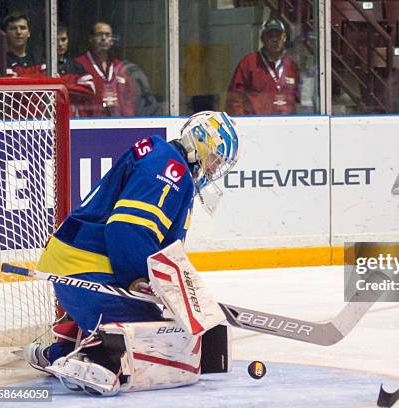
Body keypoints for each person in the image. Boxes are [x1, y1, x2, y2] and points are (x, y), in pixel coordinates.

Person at [24, 111, 239, 392]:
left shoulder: (163, 157)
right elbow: (127, 230)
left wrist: (170, 286)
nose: (212, 170)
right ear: (199, 143)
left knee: (165, 329)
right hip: (88, 270)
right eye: (215, 159)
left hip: (76, 263)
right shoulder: (170, 169)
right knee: (160, 338)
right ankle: (82, 355)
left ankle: (72, 337)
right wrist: (139, 278)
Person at [226, 18, 300, 115]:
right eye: (270, 36)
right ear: (262, 39)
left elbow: (298, 99)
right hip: (256, 125)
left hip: (287, 125)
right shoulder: (249, 63)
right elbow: (235, 99)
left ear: (284, 38)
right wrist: (243, 124)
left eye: (278, 35)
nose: (274, 39)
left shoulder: (291, 66)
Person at [75, 21, 136, 117]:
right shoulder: (78, 64)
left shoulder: (119, 67)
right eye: (99, 34)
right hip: (90, 125)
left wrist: (127, 121)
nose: (103, 38)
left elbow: (130, 98)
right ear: (91, 39)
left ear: (112, 40)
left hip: (119, 123)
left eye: (107, 35)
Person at [0, 12, 42, 77]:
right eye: (13, 28)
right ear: (6, 34)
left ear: (29, 33)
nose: (18, 32)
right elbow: (11, 84)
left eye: (22, 28)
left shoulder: (38, 58)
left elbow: (48, 78)